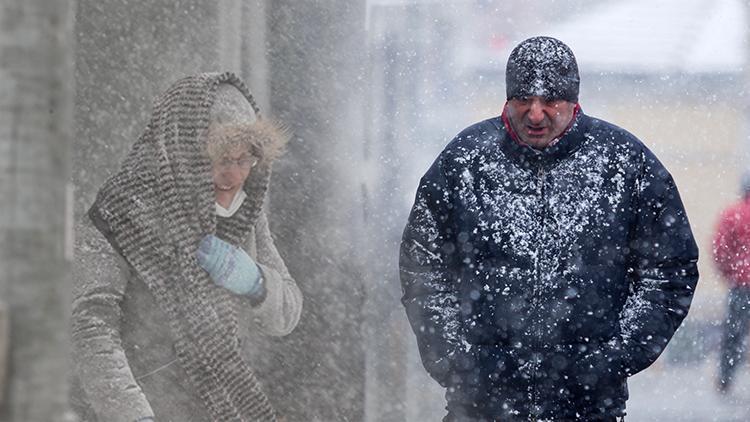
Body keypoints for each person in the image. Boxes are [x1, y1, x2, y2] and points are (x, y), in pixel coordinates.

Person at [399, 37, 699, 421]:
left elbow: (670, 270)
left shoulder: (624, 164)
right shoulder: (465, 162)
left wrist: (616, 355)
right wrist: (455, 358)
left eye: (550, 100)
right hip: (480, 407)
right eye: (523, 99)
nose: (535, 114)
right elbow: (422, 264)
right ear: (508, 99)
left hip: (588, 408)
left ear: (574, 101)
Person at [71, 72, 303, 422]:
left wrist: (255, 281)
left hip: (219, 408)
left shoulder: (245, 216)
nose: (236, 175)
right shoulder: (119, 213)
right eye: (223, 159)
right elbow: (91, 328)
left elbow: (287, 314)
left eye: (246, 160)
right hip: (142, 405)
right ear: (184, 156)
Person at [714, 171, 750, 394]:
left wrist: (730, 273)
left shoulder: (733, 215)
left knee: (734, 335)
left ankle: (725, 379)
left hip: (741, 286)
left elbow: (721, 248)